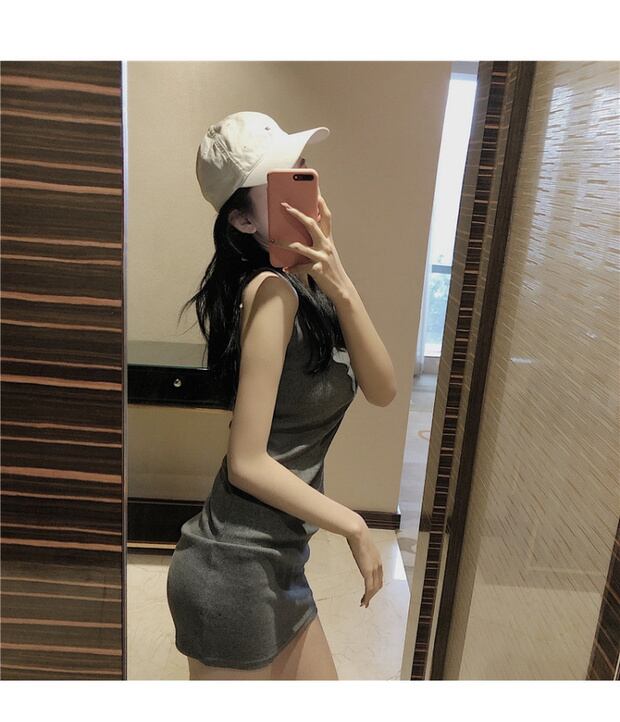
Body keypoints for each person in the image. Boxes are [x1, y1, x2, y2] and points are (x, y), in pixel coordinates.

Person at [166, 111, 396, 680]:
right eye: (279, 182)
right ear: (242, 219)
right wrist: (354, 524)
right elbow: (246, 463)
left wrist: (342, 284)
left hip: (278, 563)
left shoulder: (308, 288)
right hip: (234, 570)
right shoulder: (273, 293)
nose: (303, 188)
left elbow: (383, 388)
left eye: (300, 169)